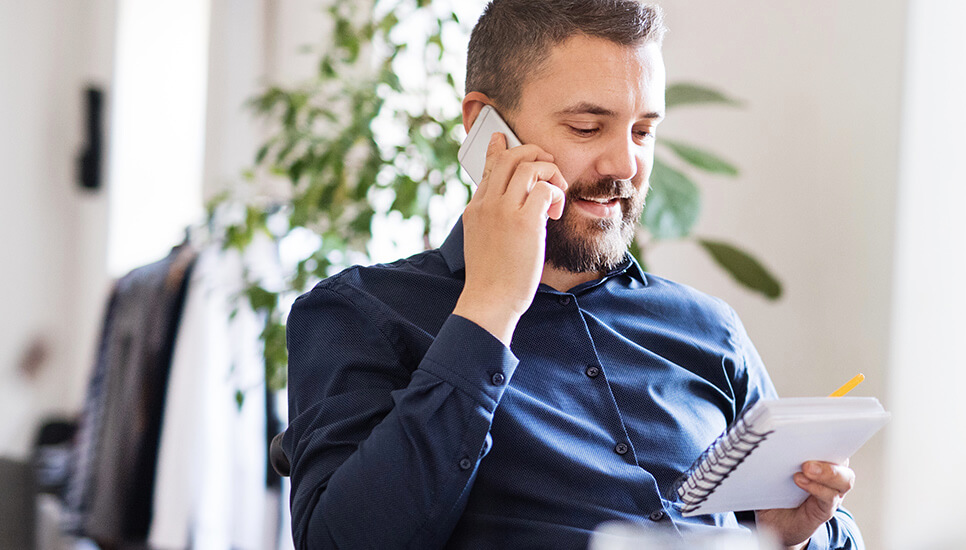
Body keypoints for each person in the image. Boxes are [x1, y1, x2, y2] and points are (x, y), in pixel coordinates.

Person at [281, 1, 863, 548]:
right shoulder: (360, 313)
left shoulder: (710, 330)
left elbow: (833, 532)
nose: (626, 166)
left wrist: (788, 537)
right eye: (587, 128)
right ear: (486, 132)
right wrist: (489, 308)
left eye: (642, 132)